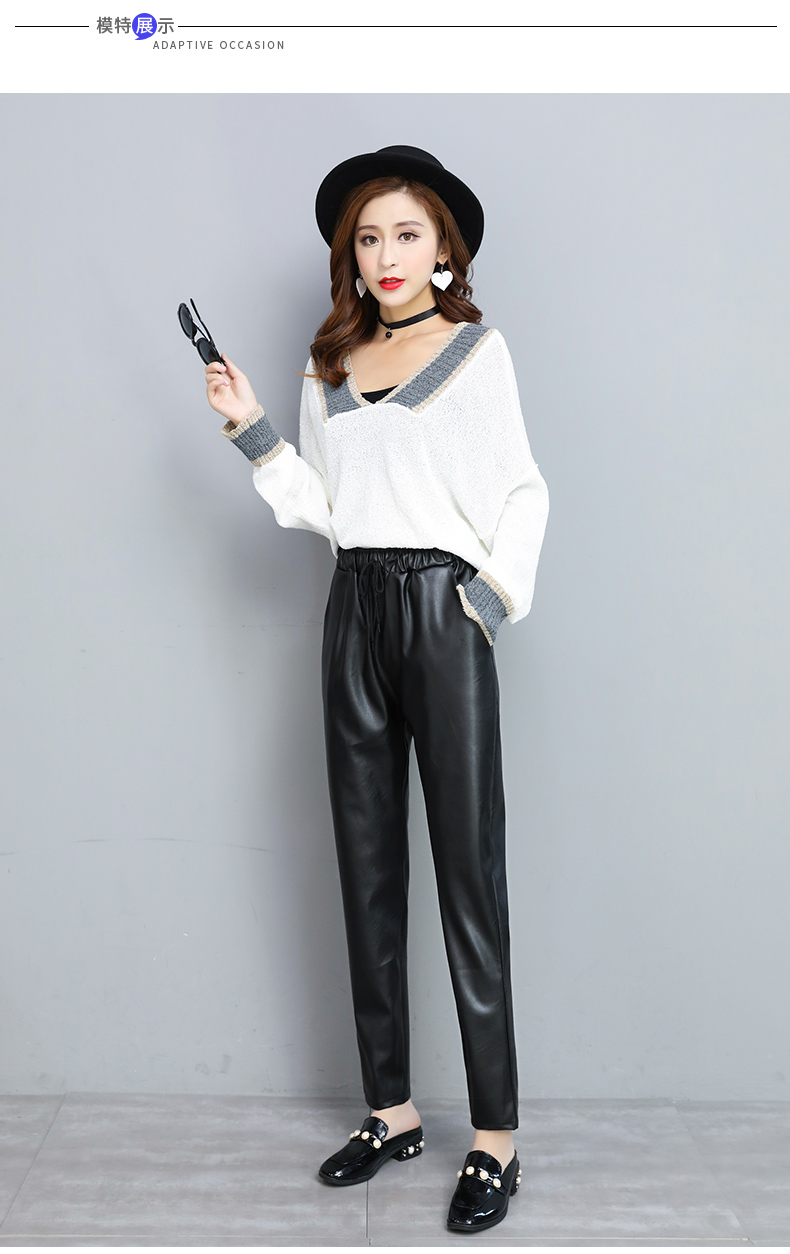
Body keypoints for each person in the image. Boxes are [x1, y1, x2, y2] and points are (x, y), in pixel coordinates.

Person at [204, 145, 549, 1233]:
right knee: (366, 871)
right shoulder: (330, 362)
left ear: (443, 248)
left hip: (442, 614)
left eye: (406, 233)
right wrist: (249, 425)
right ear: (348, 256)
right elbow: (324, 503)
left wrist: (486, 600)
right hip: (351, 606)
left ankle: (495, 1140)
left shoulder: (477, 352)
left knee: (468, 877)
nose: (386, 254)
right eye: (367, 237)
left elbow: (522, 490)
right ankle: (391, 1112)